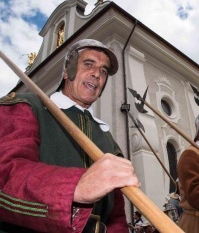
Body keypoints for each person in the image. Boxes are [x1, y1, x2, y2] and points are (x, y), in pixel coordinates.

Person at [0, 39, 140, 232]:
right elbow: (5, 176)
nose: (97, 74)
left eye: (104, 71)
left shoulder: (109, 142)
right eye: (88, 64)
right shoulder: (26, 107)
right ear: (67, 71)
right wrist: (75, 186)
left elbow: (116, 216)